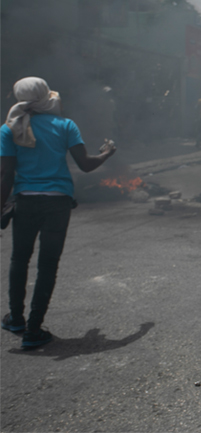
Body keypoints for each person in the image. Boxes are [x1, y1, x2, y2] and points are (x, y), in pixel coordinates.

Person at [0, 77, 116, 349]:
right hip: (58, 203)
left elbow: (5, 174)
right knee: (47, 265)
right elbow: (86, 165)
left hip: (25, 201)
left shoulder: (9, 128)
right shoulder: (65, 125)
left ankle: (15, 318)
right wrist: (107, 153)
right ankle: (33, 330)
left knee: (19, 259)